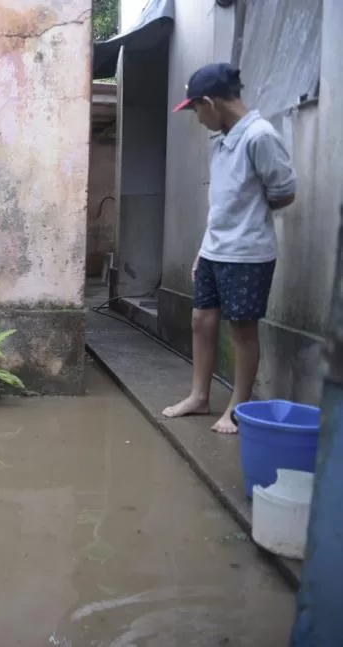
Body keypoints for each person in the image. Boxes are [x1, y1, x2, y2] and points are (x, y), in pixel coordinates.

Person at [162, 62, 297, 434]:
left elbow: (285, 192)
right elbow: (221, 204)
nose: (197, 117)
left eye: (196, 109)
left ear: (211, 102)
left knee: (242, 330)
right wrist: (202, 251)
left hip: (248, 253)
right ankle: (199, 396)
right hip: (213, 250)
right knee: (201, 322)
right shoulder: (221, 140)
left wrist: (248, 217)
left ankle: (238, 407)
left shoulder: (259, 136)